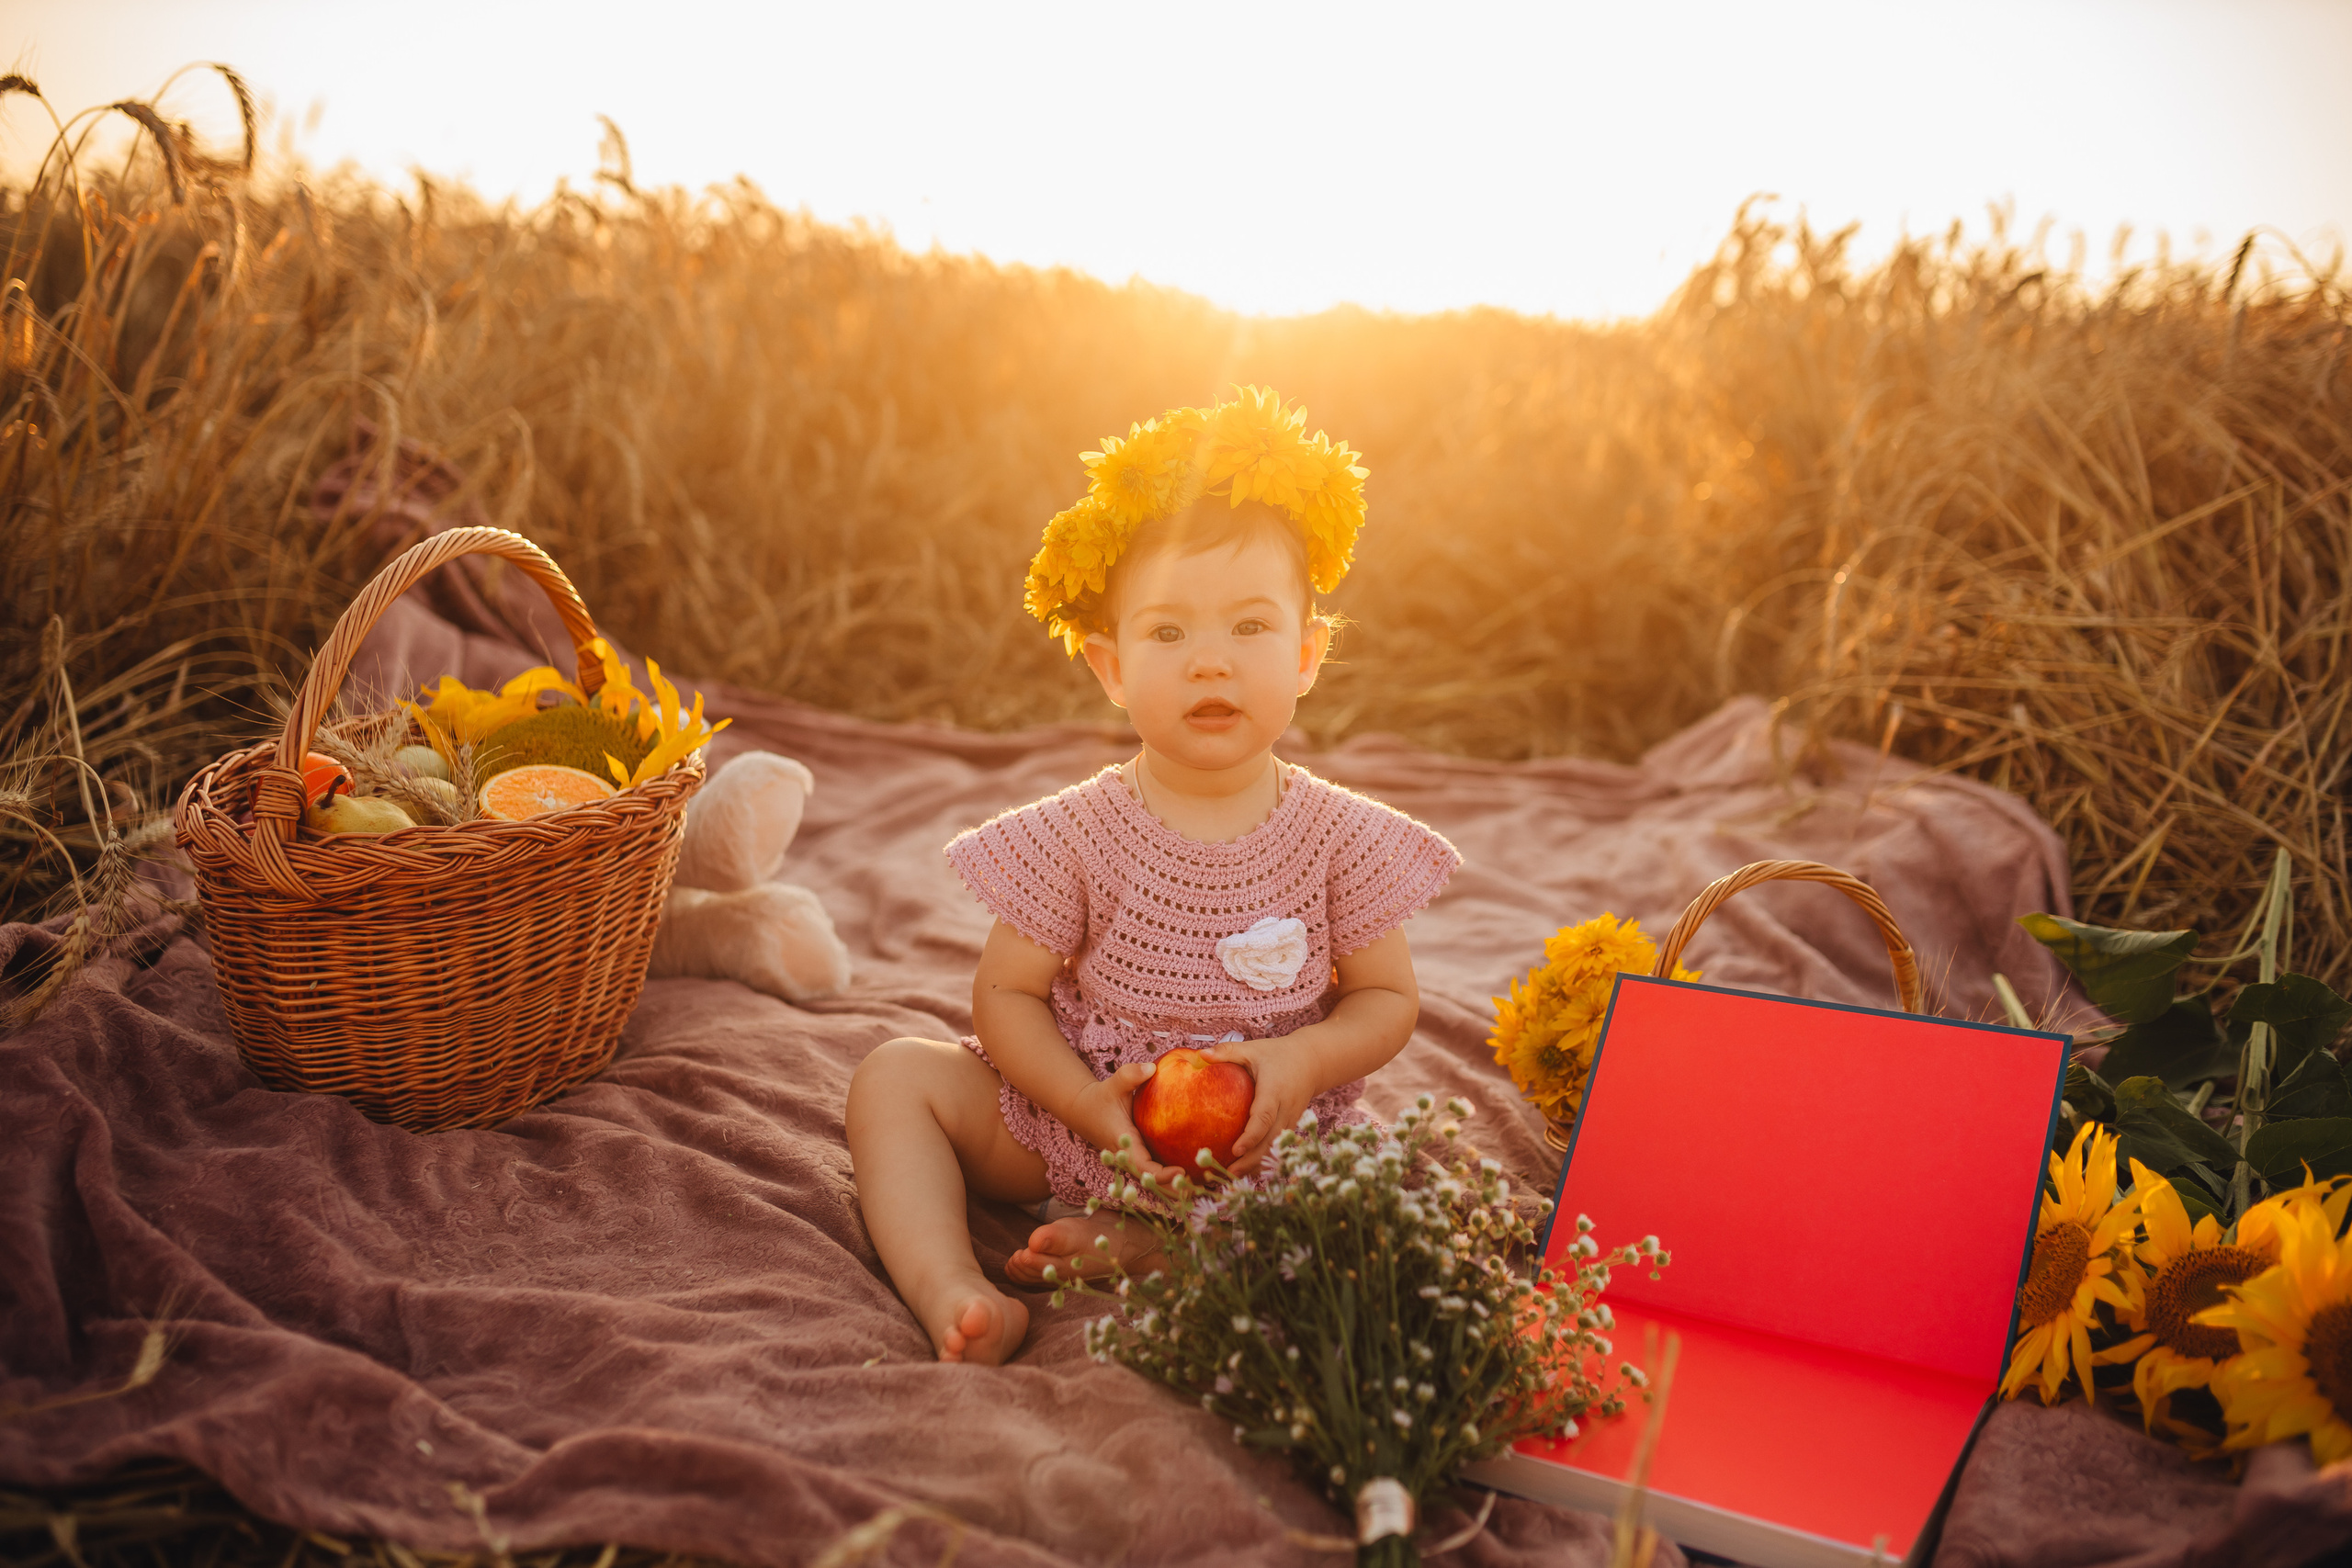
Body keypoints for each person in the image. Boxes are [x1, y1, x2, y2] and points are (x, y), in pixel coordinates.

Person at [844, 389, 1461, 1363]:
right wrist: (1081, 1104)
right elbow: (1005, 994)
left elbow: (1386, 998)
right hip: (1086, 1118)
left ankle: (1161, 1249)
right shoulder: (1079, 831)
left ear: (1307, 655)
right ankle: (950, 1287)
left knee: (1368, 1221)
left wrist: (1302, 1064)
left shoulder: (1337, 836)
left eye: (1250, 628)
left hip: (1265, 1143)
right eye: (1168, 633)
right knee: (894, 1079)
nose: (1210, 663)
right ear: (1111, 668)